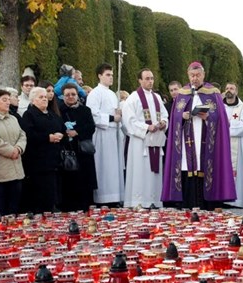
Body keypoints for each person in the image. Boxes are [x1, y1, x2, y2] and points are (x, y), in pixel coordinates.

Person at [161, 61, 236, 209]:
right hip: (185, 139)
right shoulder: (181, 94)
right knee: (186, 167)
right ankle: (187, 202)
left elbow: (221, 119)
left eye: (198, 75)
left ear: (203, 75)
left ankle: (207, 202)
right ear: (188, 75)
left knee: (205, 166)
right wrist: (182, 116)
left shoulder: (213, 93)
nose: (195, 78)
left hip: (206, 139)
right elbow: (174, 117)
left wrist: (208, 117)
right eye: (192, 75)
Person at [122, 69, 168, 208]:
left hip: (155, 141)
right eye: (147, 78)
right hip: (140, 143)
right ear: (140, 80)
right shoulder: (133, 98)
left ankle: (153, 200)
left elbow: (165, 115)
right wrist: (146, 128)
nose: (150, 81)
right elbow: (129, 121)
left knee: (154, 172)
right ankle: (138, 201)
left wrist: (163, 123)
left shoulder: (157, 97)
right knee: (140, 171)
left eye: (152, 78)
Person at [21, 87, 65, 213]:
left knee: (53, 191)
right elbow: (28, 134)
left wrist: (61, 135)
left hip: (55, 159)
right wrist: (47, 138)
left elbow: (62, 128)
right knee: (41, 193)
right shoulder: (29, 115)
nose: (45, 99)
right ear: (33, 100)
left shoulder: (52, 114)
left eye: (45, 96)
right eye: (41, 97)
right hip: (38, 161)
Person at [86, 63, 124, 206]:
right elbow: (93, 115)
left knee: (115, 167)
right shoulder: (95, 93)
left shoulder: (113, 94)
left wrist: (119, 115)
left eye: (112, 75)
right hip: (102, 134)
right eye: (108, 75)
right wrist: (112, 118)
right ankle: (103, 198)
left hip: (114, 133)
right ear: (99, 76)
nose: (111, 78)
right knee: (104, 167)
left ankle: (116, 197)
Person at [59, 83, 97, 211]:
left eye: (73, 94)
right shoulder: (59, 111)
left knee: (85, 184)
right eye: (67, 95)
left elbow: (91, 127)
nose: (70, 97)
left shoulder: (85, 110)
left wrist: (77, 132)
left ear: (77, 95)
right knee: (69, 184)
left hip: (84, 152)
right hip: (68, 152)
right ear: (62, 96)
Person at [222, 82, 243, 209]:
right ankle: (223, 199)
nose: (229, 90)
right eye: (227, 88)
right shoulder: (220, 106)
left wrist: (227, 126)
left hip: (238, 148)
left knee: (239, 174)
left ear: (236, 92)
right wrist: (232, 125)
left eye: (232, 88)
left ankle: (238, 201)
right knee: (222, 171)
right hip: (223, 146)